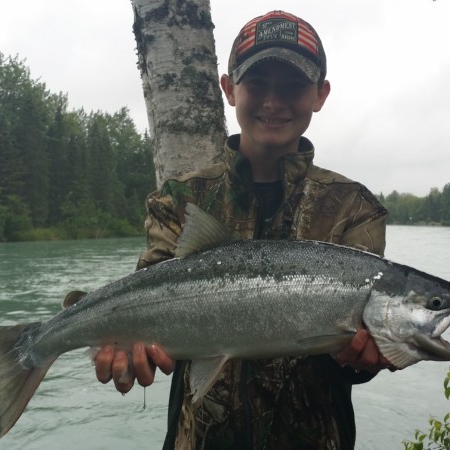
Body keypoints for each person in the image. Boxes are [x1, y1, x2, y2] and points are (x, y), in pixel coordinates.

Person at [93, 10, 390, 449]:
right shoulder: (179, 199)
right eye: (257, 84)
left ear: (320, 94)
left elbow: (356, 356)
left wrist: (364, 361)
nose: (274, 101)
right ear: (229, 89)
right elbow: (149, 297)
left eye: (293, 86)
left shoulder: (354, 208)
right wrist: (131, 352)